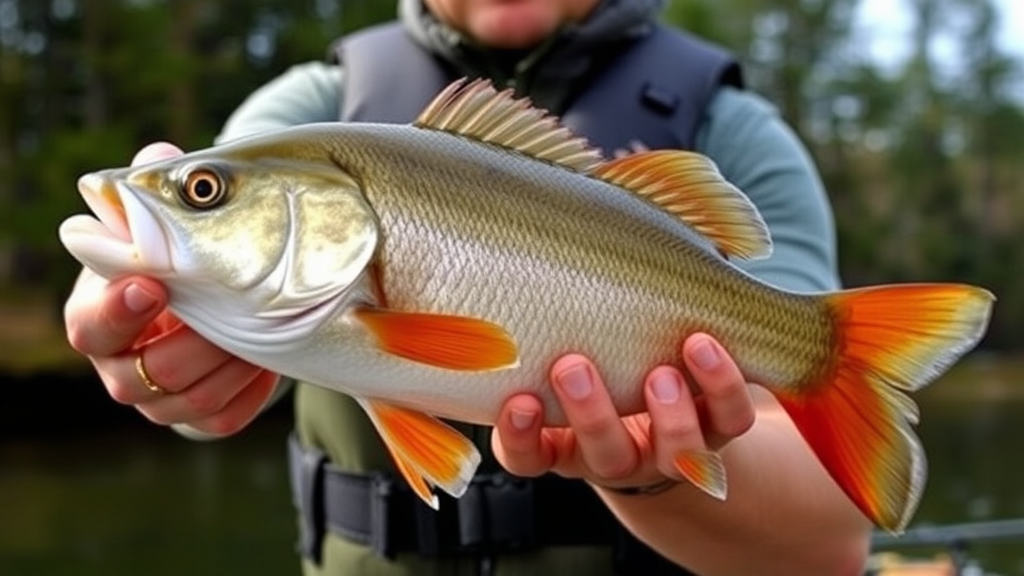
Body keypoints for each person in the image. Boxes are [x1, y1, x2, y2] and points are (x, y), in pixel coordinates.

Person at [63, 1, 872, 575]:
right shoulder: (309, 108)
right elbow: (213, 389)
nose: (198, 201)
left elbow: (828, 548)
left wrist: (651, 472)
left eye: (206, 191)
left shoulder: (734, 128)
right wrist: (155, 346)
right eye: (207, 192)